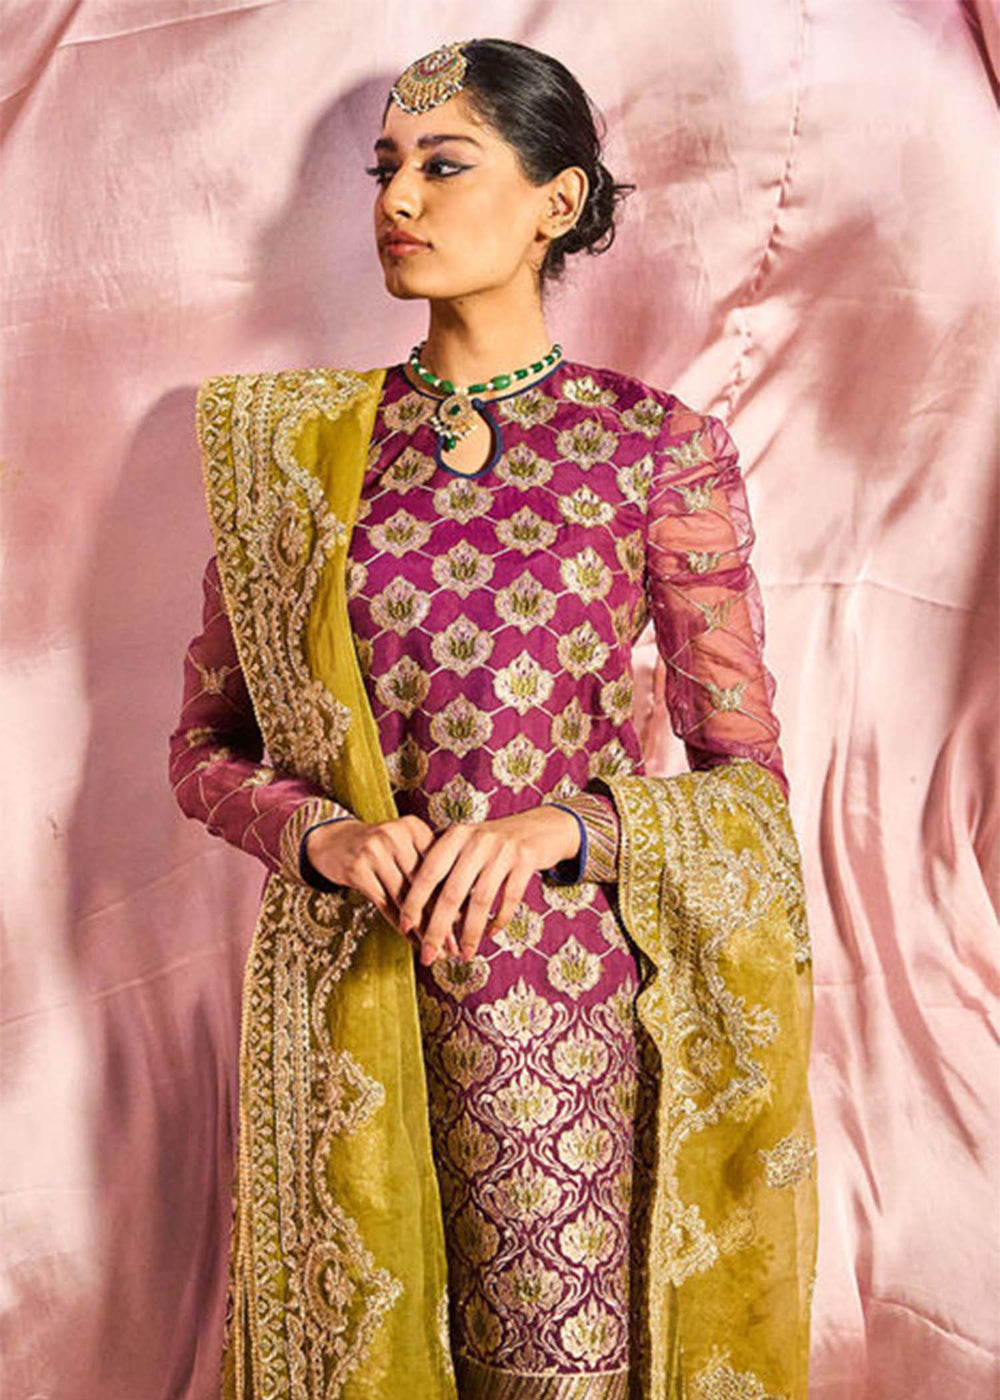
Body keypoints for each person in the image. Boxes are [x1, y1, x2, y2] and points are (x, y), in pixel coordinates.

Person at [169, 36, 817, 1400]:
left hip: (561, 1018)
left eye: (445, 165)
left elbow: (746, 792)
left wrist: (556, 829)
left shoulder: (653, 449)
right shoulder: (297, 454)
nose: (399, 199)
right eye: (386, 169)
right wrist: (324, 838)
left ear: (556, 203)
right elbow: (205, 748)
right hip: (351, 1007)